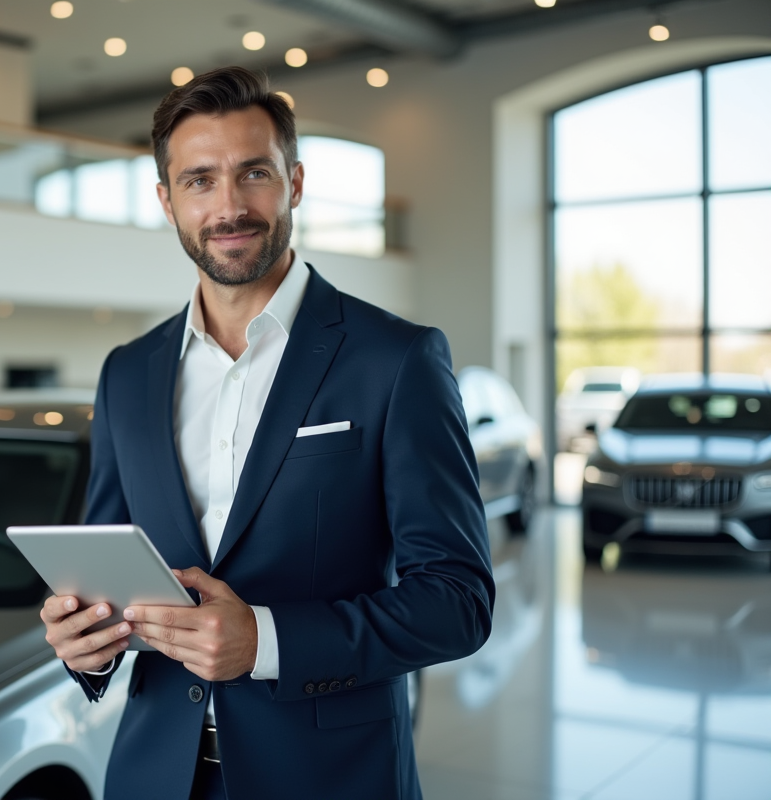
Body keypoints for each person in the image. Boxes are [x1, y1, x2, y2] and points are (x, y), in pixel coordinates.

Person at [39, 66, 494, 800]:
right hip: (154, 776)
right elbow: (110, 579)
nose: (229, 206)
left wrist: (268, 640)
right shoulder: (127, 372)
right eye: (199, 180)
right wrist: (86, 648)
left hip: (330, 779)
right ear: (165, 200)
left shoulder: (395, 359)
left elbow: (458, 602)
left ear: (295, 182)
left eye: (254, 173)